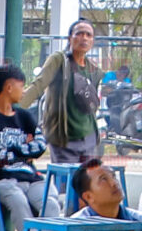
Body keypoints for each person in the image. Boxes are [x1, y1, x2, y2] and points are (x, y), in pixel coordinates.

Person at [0, 63, 47, 231]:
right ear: (9, 87)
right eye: (22, 86)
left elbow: (41, 145)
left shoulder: (25, 116)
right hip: (2, 180)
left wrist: (14, 152)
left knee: (50, 203)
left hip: (31, 178)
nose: (24, 91)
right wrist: (25, 151)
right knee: (19, 202)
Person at [29, 21, 106, 169]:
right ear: (70, 38)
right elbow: (38, 85)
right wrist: (13, 109)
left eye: (88, 35)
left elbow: (92, 103)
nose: (84, 38)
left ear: (92, 41)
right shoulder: (58, 61)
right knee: (66, 181)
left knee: (88, 180)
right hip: (64, 139)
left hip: (89, 137)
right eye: (79, 33)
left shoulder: (94, 70)